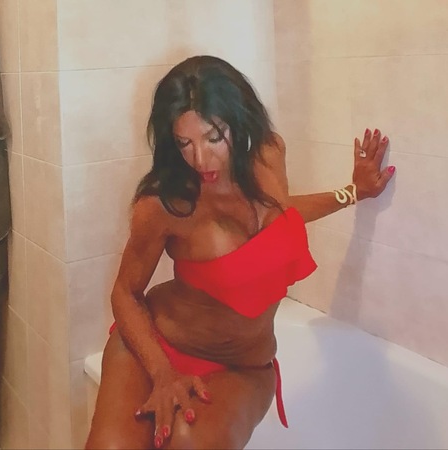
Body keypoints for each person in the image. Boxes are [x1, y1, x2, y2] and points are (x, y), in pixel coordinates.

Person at [85, 55, 395, 450]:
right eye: (184, 143)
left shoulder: (269, 154)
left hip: (241, 366)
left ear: (239, 119)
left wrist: (353, 192)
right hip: (157, 348)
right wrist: (162, 373)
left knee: (189, 443)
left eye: (214, 137)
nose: (200, 159)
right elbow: (125, 293)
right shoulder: (165, 204)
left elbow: (279, 214)